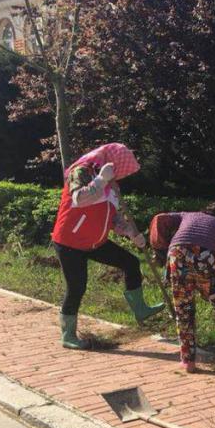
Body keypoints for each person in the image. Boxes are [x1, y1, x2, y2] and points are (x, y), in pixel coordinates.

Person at [51, 143, 164, 349]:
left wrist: (131, 233)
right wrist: (101, 179)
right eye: (121, 169)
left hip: (95, 241)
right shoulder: (81, 171)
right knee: (77, 286)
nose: (121, 174)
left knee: (130, 262)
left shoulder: (112, 185)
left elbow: (112, 219)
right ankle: (68, 335)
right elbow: (79, 199)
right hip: (70, 242)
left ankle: (140, 309)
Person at [157, 203, 215, 374]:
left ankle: (188, 361)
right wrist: (214, 289)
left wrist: (159, 246)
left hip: (177, 253)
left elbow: (160, 218)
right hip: (210, 257)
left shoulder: (187, 214)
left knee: (184, 309)